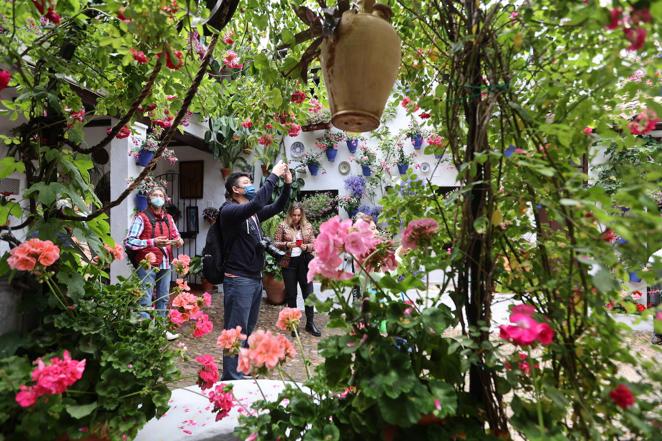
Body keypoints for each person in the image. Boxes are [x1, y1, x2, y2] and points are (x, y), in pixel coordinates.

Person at [219, 161, 292, 380]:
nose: (251, 186)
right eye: (247, 183)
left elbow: (277, 206)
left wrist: (287, 184)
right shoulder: (230, 211)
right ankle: (231, 377)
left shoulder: (252, 214)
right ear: (236, 190)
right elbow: (260, 199)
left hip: (253, 278)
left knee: (247, 331)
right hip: (238, 279)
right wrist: (274, 175)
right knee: (235, 332)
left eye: (252, 182)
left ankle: (242, 369)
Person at [125, 186, 183, 341]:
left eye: (161, 195)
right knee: (145, 297)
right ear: (149, 199)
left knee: (163, 297)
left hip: (165, 262)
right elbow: (130, 242)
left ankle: (160, 330)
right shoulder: (141, 218)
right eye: (155, 195)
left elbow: (176, 236)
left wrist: (178, 241)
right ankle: (144, 332)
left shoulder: (169, 218)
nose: (158, 197)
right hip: (147, 263)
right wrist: (153, 242)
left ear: (164, 199)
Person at [274, 203, 320, 337]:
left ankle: (310, 323)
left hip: (304, 262)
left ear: (302, 215)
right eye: (294, 215)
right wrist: (288, 244)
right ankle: (294, 325)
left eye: (299, 215)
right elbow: (275, 244)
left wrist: (305, 246)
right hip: (289, 263)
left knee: (308, 293)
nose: (296, 217)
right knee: (291, 295)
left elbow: (314, 244)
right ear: (289, 214)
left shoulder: (308, 226)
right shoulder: (283, 225)